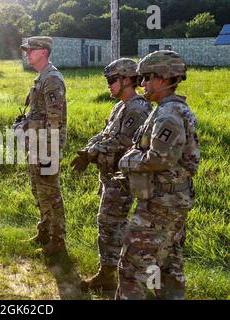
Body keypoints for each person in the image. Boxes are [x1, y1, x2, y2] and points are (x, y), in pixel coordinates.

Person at [116, 50, 200, 299]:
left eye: (146, 77)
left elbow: (159, 158)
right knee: (167, 266)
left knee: (131, 267)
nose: (141, 84)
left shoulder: (168, 114)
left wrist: (128, 160)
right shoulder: (167, 109)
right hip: (171, 202)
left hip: (160, 205)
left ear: (162, 78)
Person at [73, 58, 152, 292]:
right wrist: (89, 149)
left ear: (127, 80)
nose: (108, 85)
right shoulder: (120, 106)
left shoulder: (137, 109)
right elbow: (105, 134)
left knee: (110, 223)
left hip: (124, 178)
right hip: (111, 175)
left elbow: (122, 142)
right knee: (112, 223)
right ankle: (115, 272)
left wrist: (92, 153)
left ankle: (110, 276)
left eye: (112, 80)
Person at [18, 36, 68, 255]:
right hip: (38, 144)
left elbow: (55, 119)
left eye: (31, 50)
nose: (27, 53)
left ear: (44, 52)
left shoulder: (52, 79)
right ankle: (44, 232)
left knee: (51, 193)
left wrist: (49, 150)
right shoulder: (41, 77)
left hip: (48, 146)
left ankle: (58, 241)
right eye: (27, 50)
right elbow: (39, 114)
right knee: (38, 189)